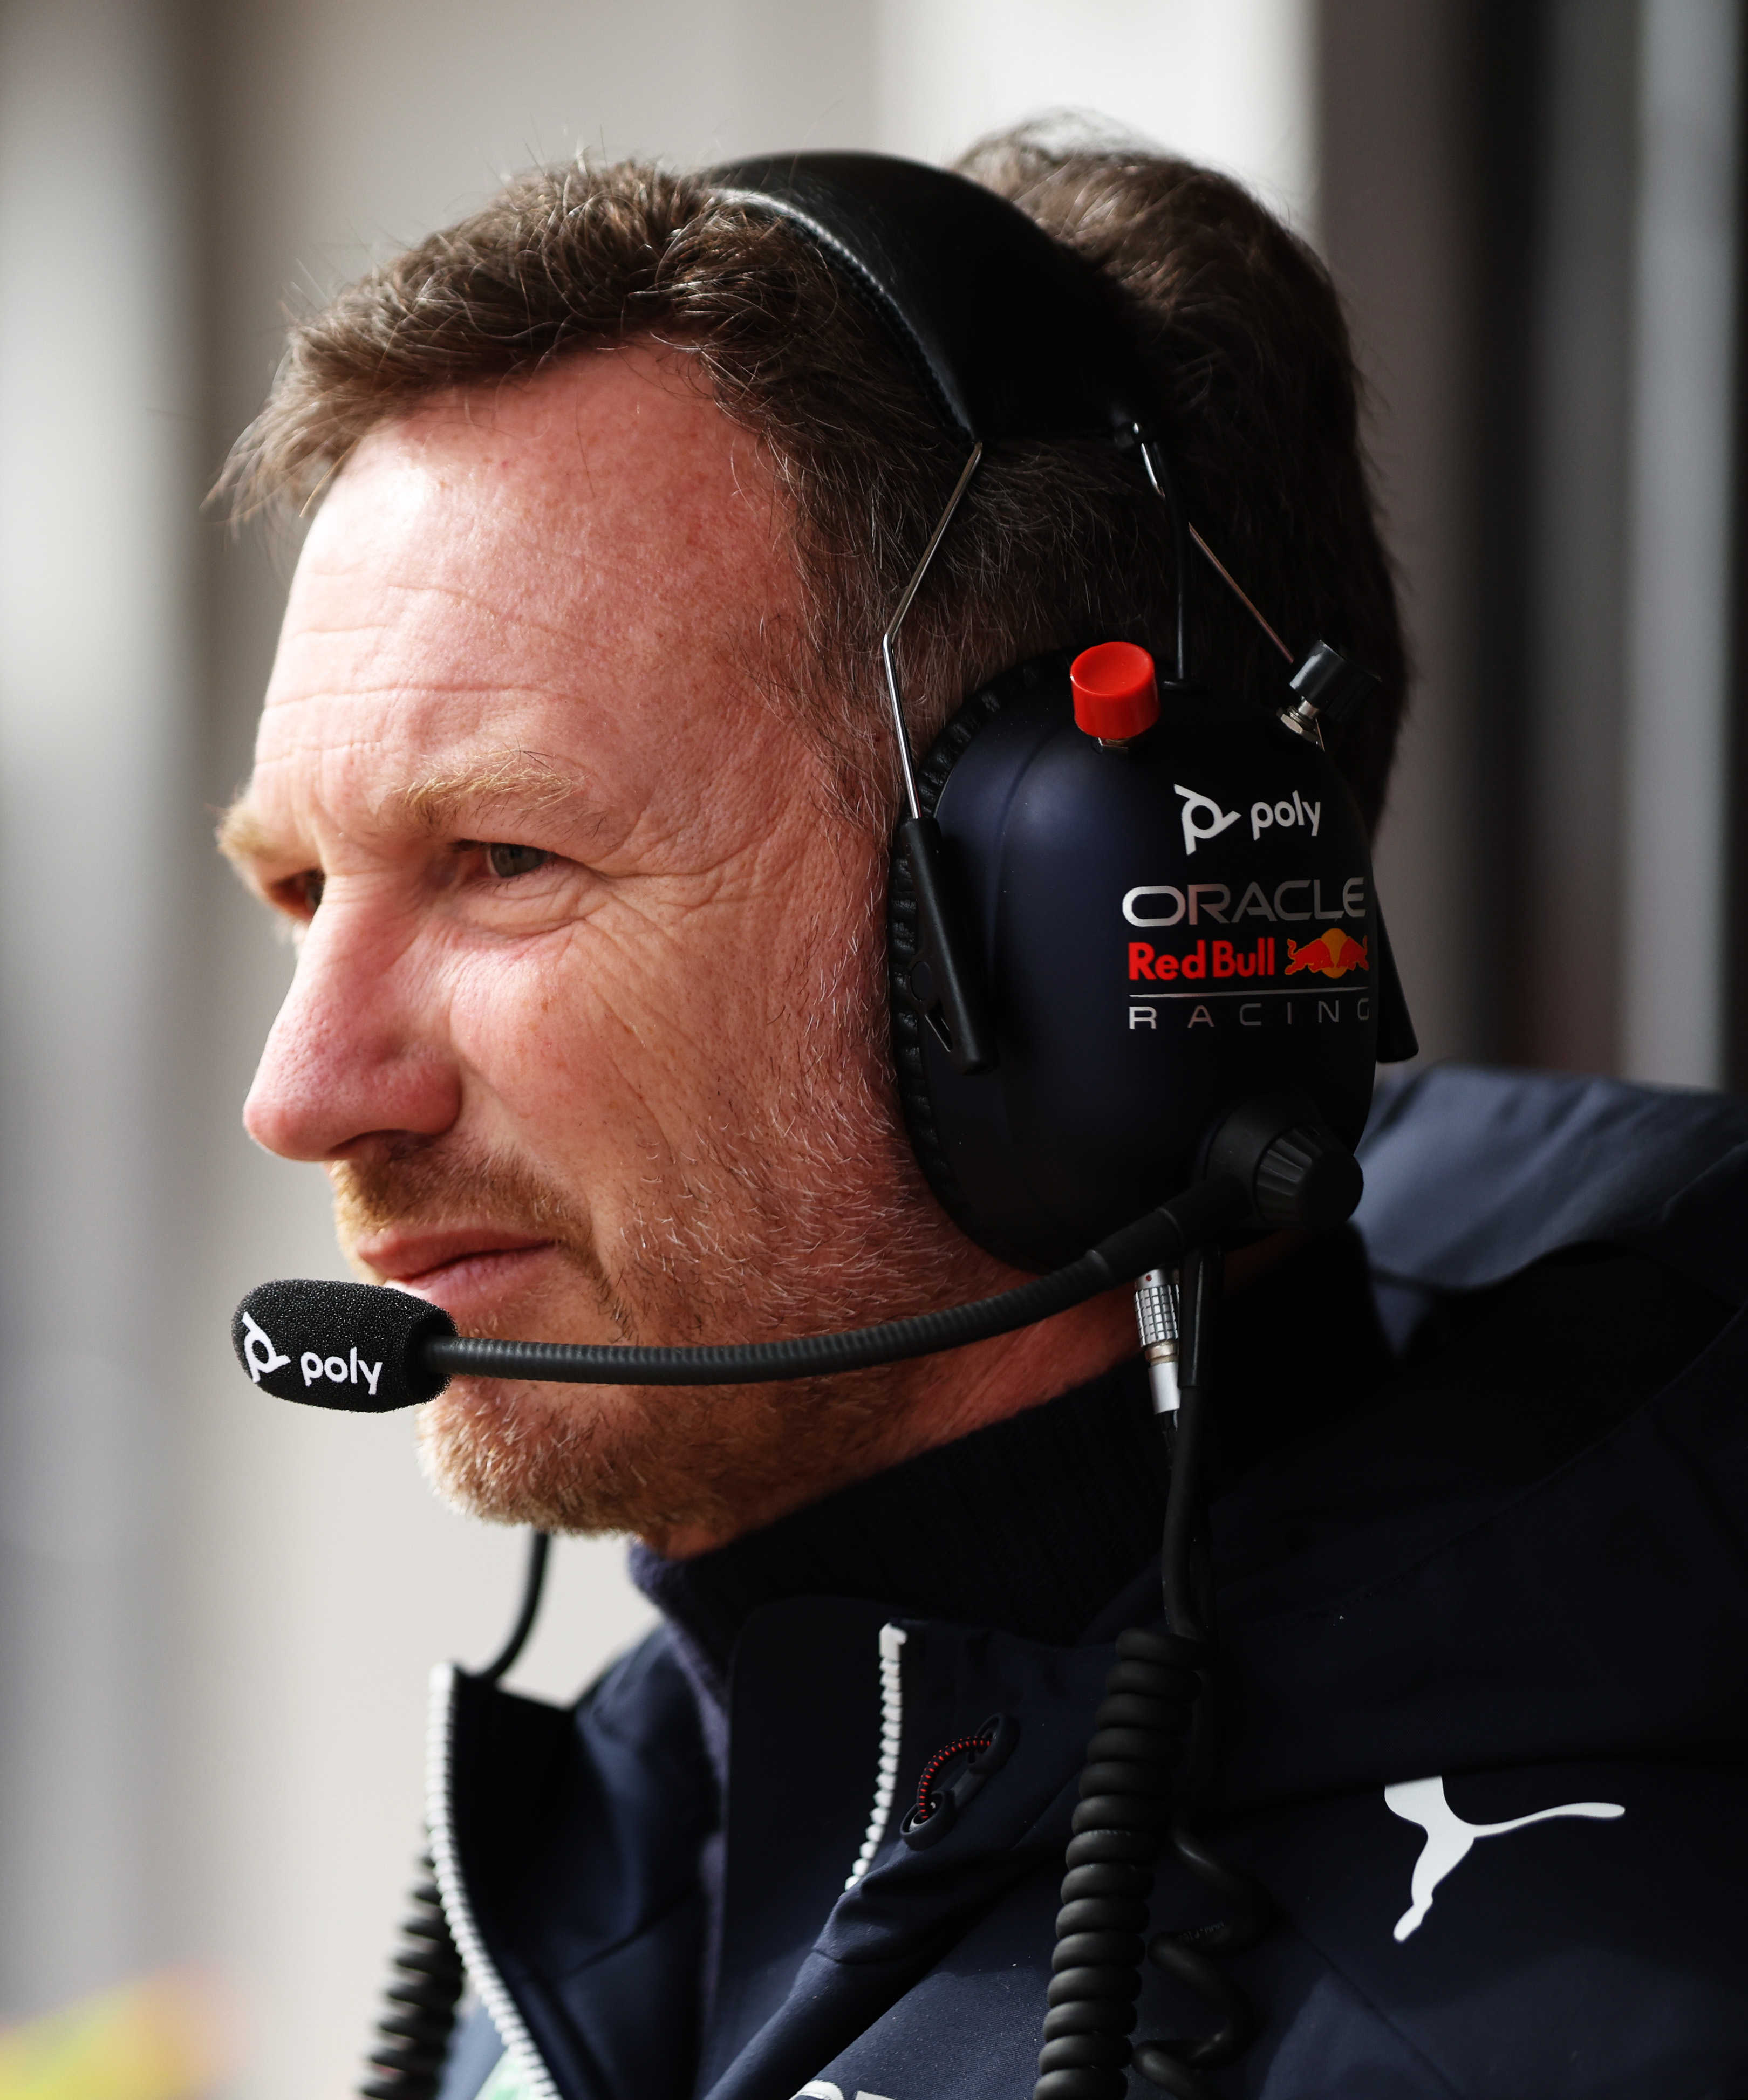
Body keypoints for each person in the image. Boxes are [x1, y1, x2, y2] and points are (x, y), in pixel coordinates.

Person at [216, 132, 1748, 2096]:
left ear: (1081, 923)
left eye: (505, 857)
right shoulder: (694, 1827)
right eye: (296, 889)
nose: (305, 1090)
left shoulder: (1545, 2025)